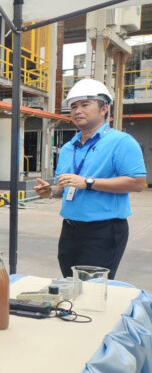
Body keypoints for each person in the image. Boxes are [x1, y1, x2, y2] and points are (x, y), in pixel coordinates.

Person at [34, 78, 146, 279]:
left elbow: (138, 183)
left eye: (85, 105)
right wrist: (51, 191)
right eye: (73, 106)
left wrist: (88, 183)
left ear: (104, 109)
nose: (77, 111)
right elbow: (65, 187)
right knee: (70, 283)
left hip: (104, 230)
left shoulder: (121, 142)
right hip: (70, 229)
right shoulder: (68, 147)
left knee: (93, 289)